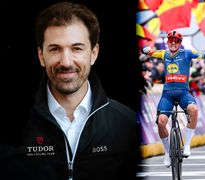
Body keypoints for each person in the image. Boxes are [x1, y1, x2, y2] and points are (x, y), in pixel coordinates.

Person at [6, 2, 141, 179]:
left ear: (93, 53)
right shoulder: (9, 127)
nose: (66, 62)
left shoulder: (127, 124)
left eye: (77, 48)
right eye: (55, 49)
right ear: (41, 56)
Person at [141, 30, 205, 167]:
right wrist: (145, 49)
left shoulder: (187, 53)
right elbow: (147, 51)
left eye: (176, 41)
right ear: (167, 42)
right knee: (161, 122)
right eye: (171, 41)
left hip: (183, 92)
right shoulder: (163, 53)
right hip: (167, 94)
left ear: (180, 43)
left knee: (194, 110)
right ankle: (167, 153)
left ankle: (188, 145)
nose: (173, 43)